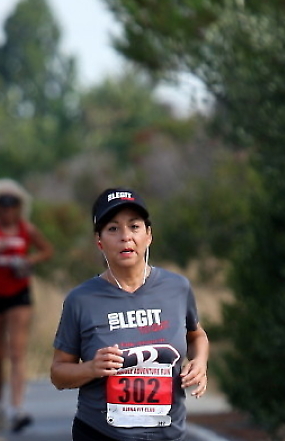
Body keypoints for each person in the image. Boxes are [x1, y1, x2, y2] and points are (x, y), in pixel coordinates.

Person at [51, 187, 209, 441]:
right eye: (113, 229)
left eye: (134, 227)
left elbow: (196, 335)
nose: (126, 237)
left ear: (148, 235)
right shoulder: (80, 300)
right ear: (99, 241)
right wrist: (91, 368)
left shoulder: (177, 288)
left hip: (167, 435)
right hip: (101, 434)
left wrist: (200, 362)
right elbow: (58, 373)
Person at [0, 178, 54, 434]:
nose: (8, 211)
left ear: (19, 207)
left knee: (17, 353)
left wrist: (29, 260)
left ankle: (17, 409)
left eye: (13, 206)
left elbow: (47, 250)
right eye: (3, 206)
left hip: (18, 293)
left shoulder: (26, 229)